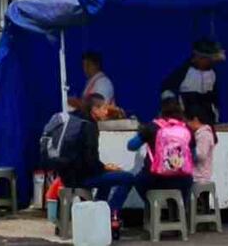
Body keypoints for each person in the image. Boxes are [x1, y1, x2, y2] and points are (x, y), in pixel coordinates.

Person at [57, 94, 136, 238]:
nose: (106, 112)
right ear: (94, 109)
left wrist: (104, 167)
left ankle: (98, 216)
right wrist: (106, 167)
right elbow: (90, 161)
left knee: (106, 181)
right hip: (82, 178)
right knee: (128, 178)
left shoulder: (76, 122)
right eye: (104, 108)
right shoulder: (90, 127)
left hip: (68, 176)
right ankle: (110, 213)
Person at [128, 98, 195, 206]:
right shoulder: (187, 128)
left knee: (138, 181)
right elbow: (194, 156)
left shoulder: (152, 127)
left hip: (155, 179)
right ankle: (179, 212)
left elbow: (131, 146)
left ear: (161, 110)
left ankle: (152, 206)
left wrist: (142, 133)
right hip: (183, 179)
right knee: (187, 183)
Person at [161, 39, 225, 125]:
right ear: (198, 58)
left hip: (207, 114)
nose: (210, 62)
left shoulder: (212, 73)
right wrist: (171, 103)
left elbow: (215, 97)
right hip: (187, 113)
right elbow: (167, 88)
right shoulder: (184, 71)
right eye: (207, 59)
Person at [185, 107, 216, 183]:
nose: (187, 125)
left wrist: (187, 153)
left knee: (203, 195)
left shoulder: (204, 134)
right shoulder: (199, 134)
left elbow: (201, 155)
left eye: (188, 121)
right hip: (198, 176)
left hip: (201, 178)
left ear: (195, 119)